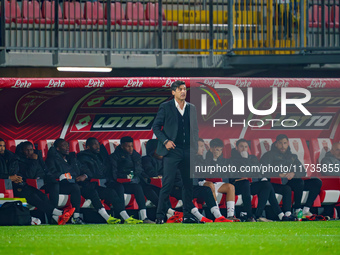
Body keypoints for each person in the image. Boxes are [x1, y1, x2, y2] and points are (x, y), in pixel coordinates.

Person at [152, 80, 200, 224]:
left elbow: (195, 129)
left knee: (188, 184)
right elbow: (156, 127)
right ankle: (160, 215)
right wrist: (165, 141)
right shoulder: (165, 107)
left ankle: (187, 215)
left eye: (184, 89)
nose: (183, 91)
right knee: (168, 183)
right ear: (173, 92)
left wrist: (195, 147)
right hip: (172, 151)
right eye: (179, 89)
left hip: (188, 150)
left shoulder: (192, 108)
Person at [0, 139, 74, 225]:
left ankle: (55, 217)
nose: (2, 148)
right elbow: (28, 175)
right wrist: (9, 177)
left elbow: (17, 172)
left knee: (42, 196)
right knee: (32, 196)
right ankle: (59, 213)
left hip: (19, 183)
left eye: (3, 146)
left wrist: (17, 177)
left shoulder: (10, 157)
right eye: (0, 146)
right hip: (8, 186)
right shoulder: (19, 158)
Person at [77, 137, 142, 224]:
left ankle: (125, 217)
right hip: (88, 186)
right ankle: (107, 218)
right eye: (95, 144)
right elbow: (87, 172)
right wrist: (87, 176)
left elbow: (105, 171)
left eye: (98, 144)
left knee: (113, 191)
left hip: (99, 185)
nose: (98, 146)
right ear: (87, 147)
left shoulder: (100, 156)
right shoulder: (82, 157)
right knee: (94, 193)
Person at [230, 138, 293, 221]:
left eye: (245, 147)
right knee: (251, 184)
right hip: (240, 185)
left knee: (267, 184)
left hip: (252, 184)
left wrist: (262, 178)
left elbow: (258, 171)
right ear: (237, 148)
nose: (244, 149)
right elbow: (242, 174)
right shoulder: (232, 160)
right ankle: (280, 215)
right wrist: (244, 160)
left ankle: (258, 215)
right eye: (241, 146)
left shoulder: (253, 158)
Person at [261, 134, 322, 218]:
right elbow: (262, 170)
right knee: (299, 182)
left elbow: (302, 171)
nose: (283, 146)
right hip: (278, 183)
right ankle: (297, 209)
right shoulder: (268, 155)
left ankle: (306, 210)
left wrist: (294, 173)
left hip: (292, 181)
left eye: (285, 143)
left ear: (288, 144)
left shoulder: (292, 156)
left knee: (316, 182)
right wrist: (278, 174)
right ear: (276, 144)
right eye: (280, 143)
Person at [110, 136, 154, 224]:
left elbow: (140, 170)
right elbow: (113, 173)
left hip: (132, 183)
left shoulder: (136, 155)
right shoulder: (114, 157)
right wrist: (125, 177)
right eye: (128, 146)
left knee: (138, 187)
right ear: (122, 146)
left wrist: (147, 177)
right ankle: (123, 217)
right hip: (117, 183)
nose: (130, 148)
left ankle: (144, 217)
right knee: (119, 187)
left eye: (132, 146)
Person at [45, 138, 84, 224]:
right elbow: (51, 173)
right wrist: (61, 175)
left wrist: (83, 176)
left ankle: (76, 216)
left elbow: (79, 170)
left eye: (67, 145)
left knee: (75, 187)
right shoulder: (52, 159)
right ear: (58, 149)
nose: (67, 147)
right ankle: (56, 216)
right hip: (56, 184)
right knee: (55, 186)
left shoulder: (71, 158)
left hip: (69, 183)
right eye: (64, 145)